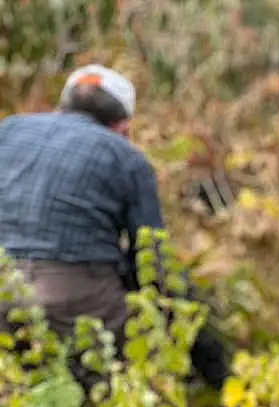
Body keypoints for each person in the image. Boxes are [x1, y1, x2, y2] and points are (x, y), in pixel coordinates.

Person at [0, 64, 164, 387]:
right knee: (143, 377)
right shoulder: (125, 156)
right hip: (74, 295)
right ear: (123, 127)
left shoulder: (9, 131)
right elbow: (153, 260)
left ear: (62, 106)